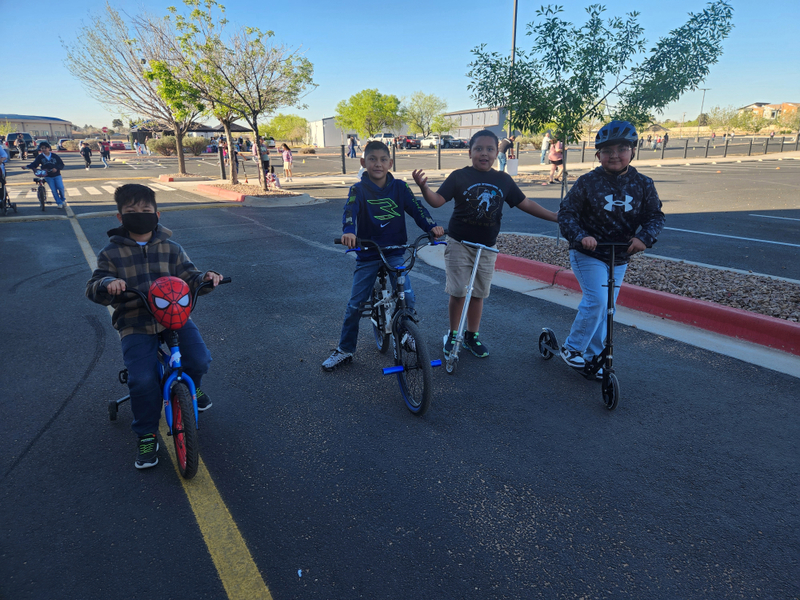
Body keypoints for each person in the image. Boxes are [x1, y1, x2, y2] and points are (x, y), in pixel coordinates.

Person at [85, 184, 223, 469]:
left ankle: (192, 389)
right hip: (135, 321)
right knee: (143, 380)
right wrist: (107, 284)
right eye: (131, 212)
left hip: (174, 316)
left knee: (199, 359)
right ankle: (146, 433)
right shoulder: (110, 254)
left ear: (157, 214)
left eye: (146, 211)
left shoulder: (171, 248)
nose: (140, 216)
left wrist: (206, 279)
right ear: (120, 217)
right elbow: (93, 287)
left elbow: (190, 276)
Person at [412, 129, 558, 359]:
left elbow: (525, 203)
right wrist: (424, 189)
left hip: (487, 248)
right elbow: (437, 201)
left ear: (496, 152)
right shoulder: (459, 176)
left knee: (478, 294)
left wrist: (554, 216)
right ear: (470, 152)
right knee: (459, 291)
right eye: (478, 148)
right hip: (460, 243)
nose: (484, 153)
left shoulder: (503, 180)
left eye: (490, 149)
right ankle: (452, 334)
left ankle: (472, 336)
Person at [322, 141, 444, 371]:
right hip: (368, 253)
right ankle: (345, 349)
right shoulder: (359, 189)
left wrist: (431, 227)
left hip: (395, 250)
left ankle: (408, 332)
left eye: (382, 159)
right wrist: (349, 231)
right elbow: (350, 211)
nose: (377, 163)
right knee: (356, 304)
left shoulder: (400, 187)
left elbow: (417, 209)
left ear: (390, 163)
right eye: (372, 159)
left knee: (406, 294)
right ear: (363, 162)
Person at [557, 120, 665, 374]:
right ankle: (573, 347)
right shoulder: (587, 182)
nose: (614, 155)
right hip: (589, 252)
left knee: (608, 307)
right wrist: (581, 235)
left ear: (633, 151)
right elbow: (567, 213)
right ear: (598, 155)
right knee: (597, 300)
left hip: (620, 254)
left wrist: (644, 237)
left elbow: (655, 216)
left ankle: (596, 355)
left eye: (621, 148)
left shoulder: (643, 184)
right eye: (607, 151)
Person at [24, 142, 67, 208]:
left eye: (45, 148)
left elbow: (61, 164)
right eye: (42, 148)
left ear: (49, 148)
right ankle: (59, 203)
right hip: (48, 175)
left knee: (60, 187)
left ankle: (63, 199)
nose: (44, 149)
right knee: (53, 190)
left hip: (57, 174)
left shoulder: (55, 156)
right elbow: (35, 164)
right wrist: (27, 167)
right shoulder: (40, 157)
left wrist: (57, 168)